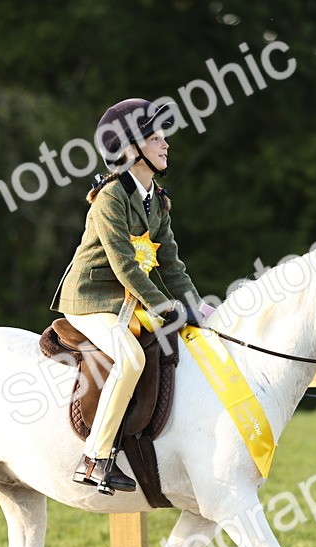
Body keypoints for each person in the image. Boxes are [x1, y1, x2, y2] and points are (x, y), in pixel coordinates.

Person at [50, 98, 203, 493]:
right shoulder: (110, 198)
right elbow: (123, 266)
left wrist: (196, 305)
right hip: (91, 300)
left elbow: (171, 263)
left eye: (164, 137)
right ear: (130, 150)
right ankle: (95, 458)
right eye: (155, 138)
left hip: (129, 302)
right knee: (131, 358)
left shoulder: (159, 201)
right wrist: (161, 304)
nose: (166, 144)